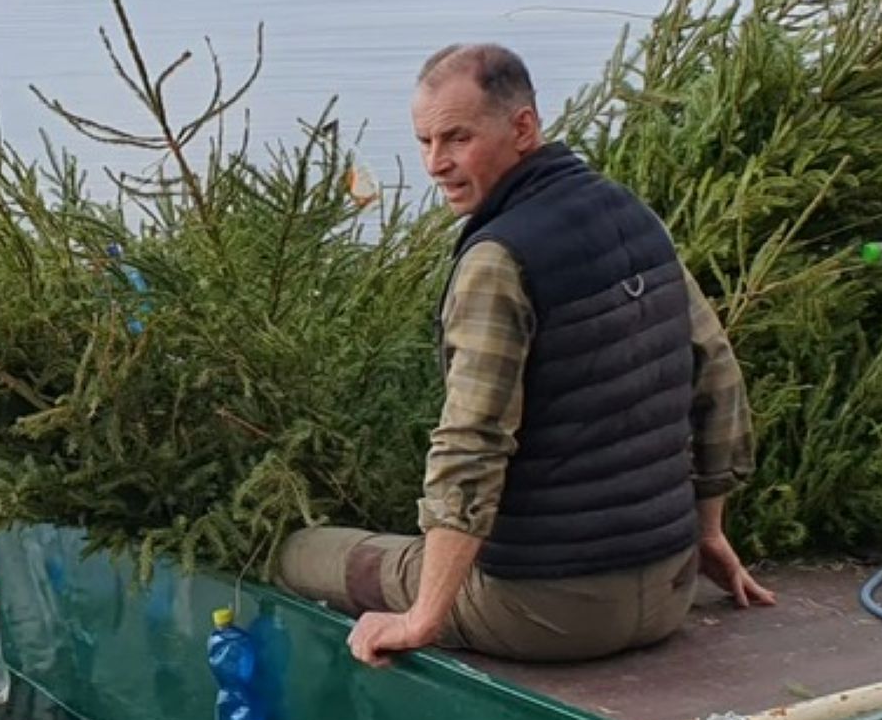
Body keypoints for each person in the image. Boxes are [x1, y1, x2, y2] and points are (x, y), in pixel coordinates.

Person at [276, 43, 774, 666]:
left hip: (545, 613)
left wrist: (422, 618)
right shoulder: (634, 216)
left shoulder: (498, 259)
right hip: (671, 587)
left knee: (302, 552)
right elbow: (717, 373)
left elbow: (472, 441)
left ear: (523, 128)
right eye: (425, 141)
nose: (436, 163)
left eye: (456, 138)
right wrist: (707, 535)